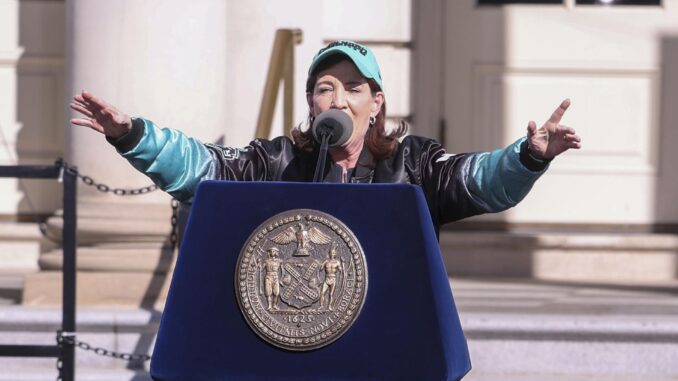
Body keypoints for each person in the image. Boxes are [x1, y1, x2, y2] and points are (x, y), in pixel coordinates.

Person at [70, 40, 581, 231]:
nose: (336, 99)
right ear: (311, 104)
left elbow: (478, 180)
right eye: (323, 88)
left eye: (353, 88)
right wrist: (133, 134)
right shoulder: (275, 161)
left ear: (376, 103)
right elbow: (205, 168)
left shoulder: (417, 164)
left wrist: (528, 157)